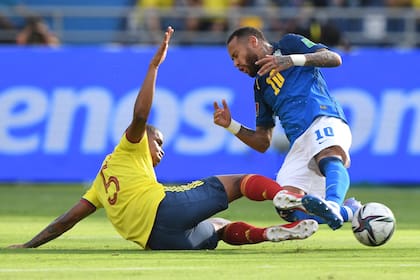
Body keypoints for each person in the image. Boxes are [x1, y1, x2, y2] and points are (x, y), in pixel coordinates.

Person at [8, 26, 318, 251]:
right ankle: (289, 198)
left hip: (159, 241)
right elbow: (141, 115)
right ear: (142, 138)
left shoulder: (99, 187)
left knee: (220, 230)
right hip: (163, 210)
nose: (161, 151)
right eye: (159, 142)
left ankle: (269, 234)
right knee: (241, 182)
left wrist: (29, 245)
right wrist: (153, 67)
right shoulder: (129, 148)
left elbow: (65, 221)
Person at [213, 26, 361, 231]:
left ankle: (335, 205)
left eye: (236, 55)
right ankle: (348, 211)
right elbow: (263, 141)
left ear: (254, 42)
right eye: (232, 59)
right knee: (286, 204)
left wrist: (292, 59)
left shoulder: (289, 45)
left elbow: (334, 58)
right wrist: (231, 125)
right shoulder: (260, 86)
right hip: (299, 143)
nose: (236, 63)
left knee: (328, 155)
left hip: (323, 117)